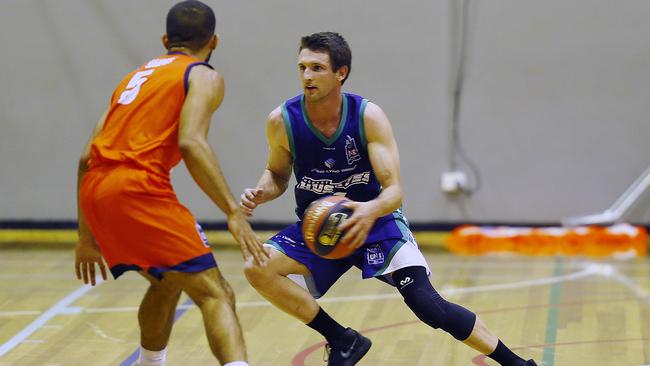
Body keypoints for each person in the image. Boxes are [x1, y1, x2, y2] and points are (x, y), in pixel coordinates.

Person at [241, 32, 537, 366]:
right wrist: (261, 191)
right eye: (303, 67)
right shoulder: (282, 121)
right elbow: (277, 174)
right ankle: (342, 340)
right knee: (258, 267)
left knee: (427, 306)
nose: (307, 76)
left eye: (317, 68)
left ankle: (515, 363)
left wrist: (368, 210)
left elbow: (394, 190)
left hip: (376, 220)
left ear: (341, 72)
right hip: (323, 227)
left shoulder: (367, 117)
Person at [75, 1, 268, 365]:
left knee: (167, 281)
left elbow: (86, 158)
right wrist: (232, 211)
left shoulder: (132, 78)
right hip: (139, 188)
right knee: (216, 293)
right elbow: (191, 142)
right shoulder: (202, 74)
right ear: (215, 42)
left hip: (97, 190)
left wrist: (86, 237)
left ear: (166, 39)